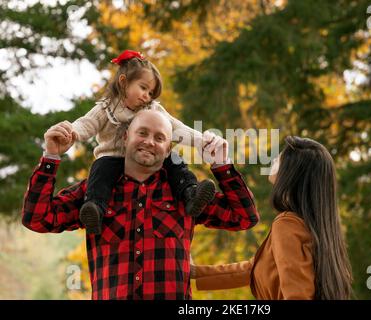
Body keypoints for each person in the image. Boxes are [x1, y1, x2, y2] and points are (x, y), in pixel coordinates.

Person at [22, 109, 259, 300]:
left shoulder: (187, 196)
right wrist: (51, 157)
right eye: (142, 133)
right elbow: (38, 219)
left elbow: (244, 217)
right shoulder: (95, 193)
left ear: (168, 149)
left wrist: (222, 165)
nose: (149, 142)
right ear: (125, 138)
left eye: (159, 138)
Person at [63, 49, 215, 235]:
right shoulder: (106, 108)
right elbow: (87, 123)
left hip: (147, 158)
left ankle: (191, 195)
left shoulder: (153, 109)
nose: (147, 96)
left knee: (175, 161)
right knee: (100, 172)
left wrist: (200, 140)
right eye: (143, 88)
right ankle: (95, 208)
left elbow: (175, 128)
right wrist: (72, 132)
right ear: (124, 82)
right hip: (113, 158)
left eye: (151, 93)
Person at [191, 136, 353, 300]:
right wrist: (194, 273)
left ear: (292, 172)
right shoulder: (316, 229)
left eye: (281, 157)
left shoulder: (287, 224)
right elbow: (252, 269)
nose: (275, 157)